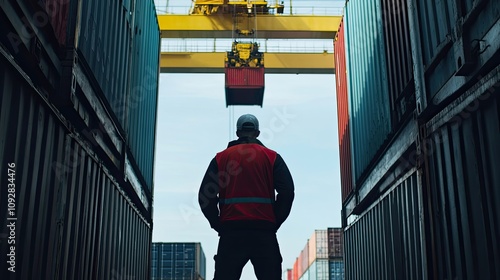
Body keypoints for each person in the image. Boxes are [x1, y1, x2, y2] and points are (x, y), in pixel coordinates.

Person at [198, 113, 295, 280]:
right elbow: (287, 192)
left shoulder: (221, 158)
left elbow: (205, 196)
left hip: (231, 233)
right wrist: (275, 221)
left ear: (237, 133)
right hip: (264, 233)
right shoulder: (272, 157)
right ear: (257, 133)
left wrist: (217, 223)